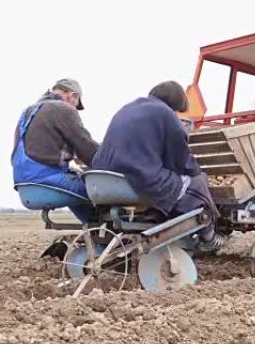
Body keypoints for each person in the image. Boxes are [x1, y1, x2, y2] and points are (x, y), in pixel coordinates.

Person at [92, 81, 225, 251]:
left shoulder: (127, 108)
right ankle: (209, 236)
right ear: (176, 103)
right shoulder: (165, 113)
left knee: (174, 182)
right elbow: (180, 159)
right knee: (196, 181)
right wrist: (197, 171)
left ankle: (156, 214)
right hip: (136, 179)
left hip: (103, 178)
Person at [11, 78, 99, 222]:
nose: (75, 108)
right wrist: (110, 164)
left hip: (23, 183)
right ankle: (104, 234)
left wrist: (84, 165)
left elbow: (75, 155)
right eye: (76, 105)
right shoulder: (62, 109)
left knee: (78, 188)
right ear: (73, 96)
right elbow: (86, 148)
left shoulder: (28, 111)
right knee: (98, 189)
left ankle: (93, 231)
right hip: (47, 178)